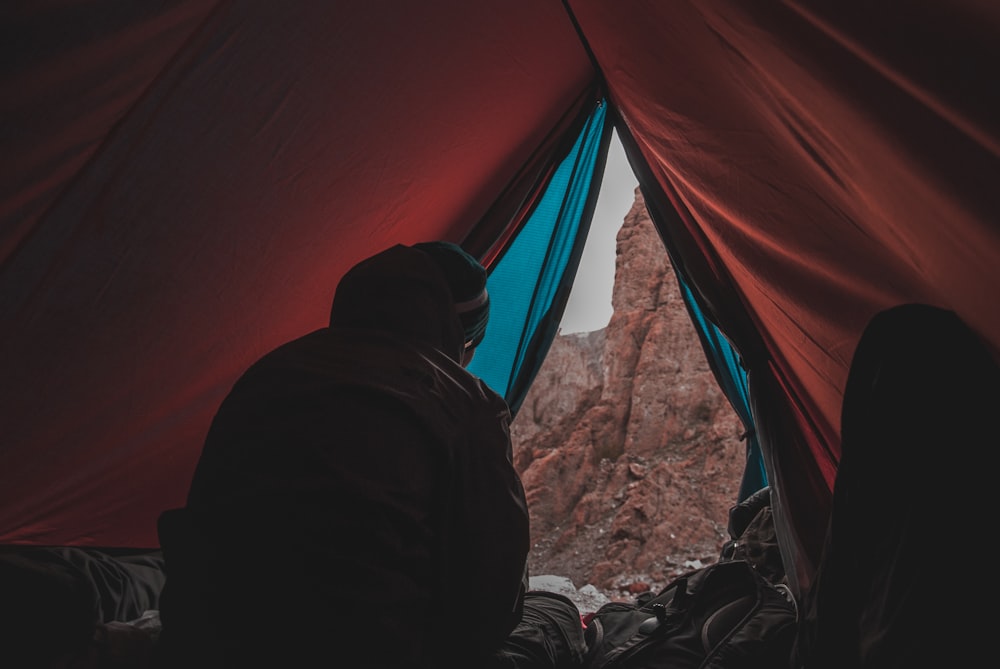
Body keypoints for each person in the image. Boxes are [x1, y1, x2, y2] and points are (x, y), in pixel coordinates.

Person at [155, 241, 586, 668]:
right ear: (460, 338)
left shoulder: (268, 371)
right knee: (551, 613)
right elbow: (493, 601)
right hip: (368, 651)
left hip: (203, 642)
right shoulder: (467, 404)